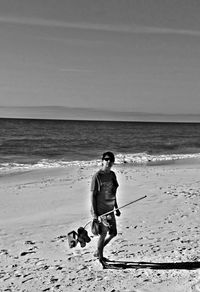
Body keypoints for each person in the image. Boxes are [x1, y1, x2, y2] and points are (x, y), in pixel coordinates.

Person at [90, 151, 121, 263]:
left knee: (113, 233)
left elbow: (113, 192)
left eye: (111, 160)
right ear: (102, 161)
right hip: (100, 210)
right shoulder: (97, 176)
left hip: (110, 209)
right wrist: (95, 214)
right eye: (106, 159)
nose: (109, 162)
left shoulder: (112, 175)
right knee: (103, 234)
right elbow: (93, 196)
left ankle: (98, 251)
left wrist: (116, 207)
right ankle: (101, 258)